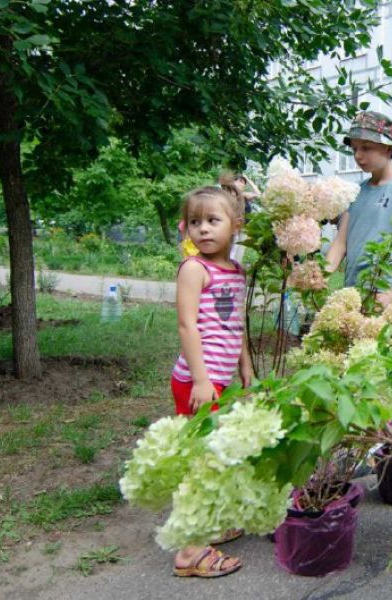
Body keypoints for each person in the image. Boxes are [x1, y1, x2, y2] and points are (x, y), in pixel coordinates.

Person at [169, 183, 253, 578]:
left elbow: (235, 323)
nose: (203, 229)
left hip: (219, 381)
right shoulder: (194, 269)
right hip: (196, 383)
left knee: (214, 455)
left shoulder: (236, 271)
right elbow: (187, 326)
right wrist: (202, 380)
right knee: (199, 463)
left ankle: (209, 527)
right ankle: (189, 551)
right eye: (196, 222)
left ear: (235, 226)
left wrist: (246, 366)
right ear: (186, 228)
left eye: (213, 221)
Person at [325, 111, 392, 306]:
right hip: (351, 294)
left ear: (389, 150)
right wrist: (320, 277)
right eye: (354, 148)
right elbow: (341, 243)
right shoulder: (355, 192)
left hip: (382, 295)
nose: (357, 155)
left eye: (366, 147)